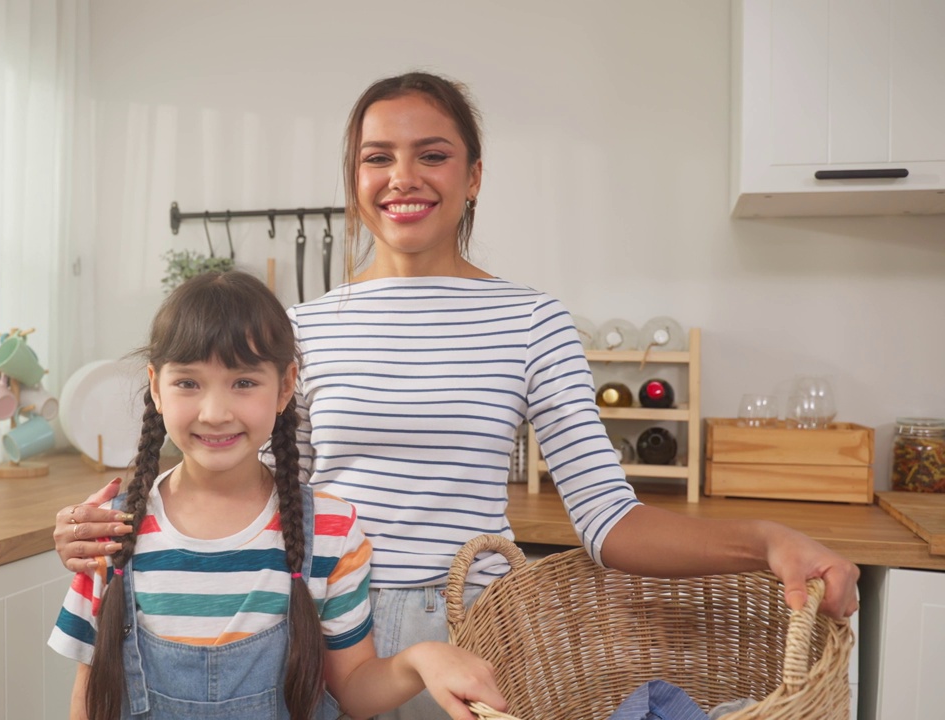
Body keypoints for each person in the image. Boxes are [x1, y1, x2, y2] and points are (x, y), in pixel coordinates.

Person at [55, 72, 861, 720]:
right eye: (377, 157)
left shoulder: (532, 320)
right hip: (327, 639)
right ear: (354, 182)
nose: (402, 177)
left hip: (478, 638)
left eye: (431, 154)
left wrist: (764, 540)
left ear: (473, 177)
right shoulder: (299, 330)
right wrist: (101, 532)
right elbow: (230, 488)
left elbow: (611, 524)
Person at [47, 270, 506, 720]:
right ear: (155, 386)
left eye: (244, 382)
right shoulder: (110, 531)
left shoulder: (329, 531)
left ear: (286, 386)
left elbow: (355, 691)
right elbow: (89, 699)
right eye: (188, 383)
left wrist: (420, 660)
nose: (214, 412)